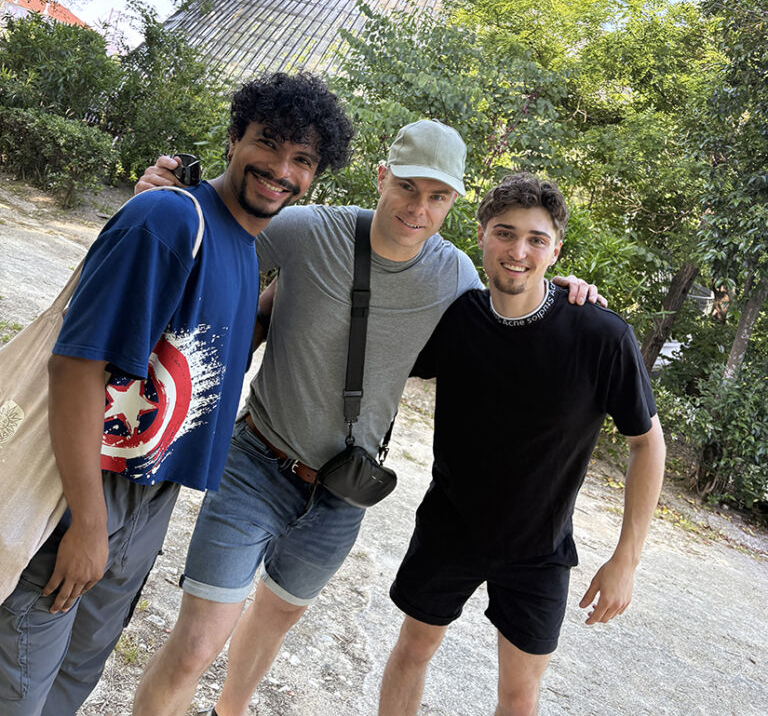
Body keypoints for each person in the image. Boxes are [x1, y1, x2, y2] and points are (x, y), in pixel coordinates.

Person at [131, 122, 601, 716]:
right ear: (382, 177)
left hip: (342, 493)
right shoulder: (306, 231)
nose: (418, 207)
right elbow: (210, 240)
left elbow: (515, 298)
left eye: (438, 196)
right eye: (407, 187)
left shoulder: (455, 277)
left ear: (454, 203)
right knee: (196, 644)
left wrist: (569, 296)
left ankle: (232, 708)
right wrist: (162, 197)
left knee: (275, 618)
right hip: (257, 462)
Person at [0, 71, 354, 716]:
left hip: (150, 492)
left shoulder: (247, 251)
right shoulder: (167, 217)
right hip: (83, 483)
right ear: (232, 139)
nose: (280, 168)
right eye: (267, 144)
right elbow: (76, 368)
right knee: (20, 678)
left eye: (302, 159)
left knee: (77, 675)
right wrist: (88, 521)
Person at [378, 172, 666, 716]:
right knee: (413, 649)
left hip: (541, 550)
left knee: (519, 693)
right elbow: (382, 344)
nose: (518, 250)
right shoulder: (455, 318)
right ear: (482, 235)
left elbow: (647, 443)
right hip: (448, 529)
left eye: (536, 239)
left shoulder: (601, 336)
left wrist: (626, 559)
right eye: (505, 233)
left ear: (556, 250)